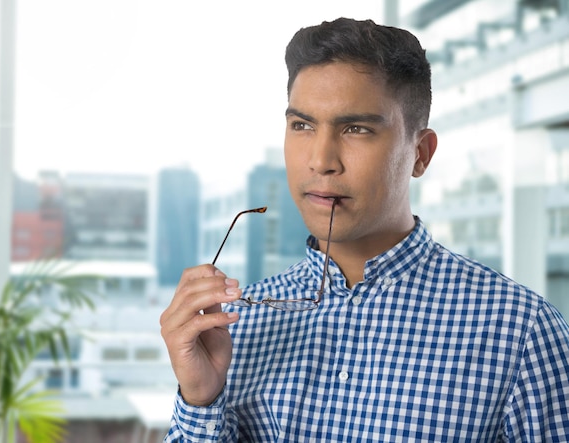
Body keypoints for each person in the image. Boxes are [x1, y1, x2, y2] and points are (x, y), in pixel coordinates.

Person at [160, 17, 569, 442]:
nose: (321, 160)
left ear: (420, 154)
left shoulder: (522, 334)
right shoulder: (233, 324)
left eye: (356, 129)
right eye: (302, 125)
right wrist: (201, 400)